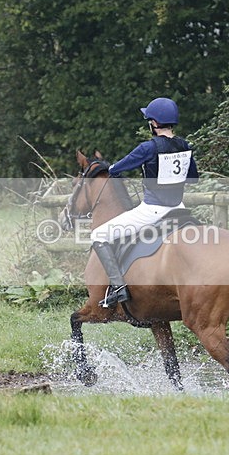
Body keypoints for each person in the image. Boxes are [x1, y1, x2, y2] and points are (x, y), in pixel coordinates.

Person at [91, 97, 199, 308]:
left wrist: (114, 169)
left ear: (154, 123)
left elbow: (115, 170)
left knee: (99, 235)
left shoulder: (148, 147)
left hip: (153, 211)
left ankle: (119, 287)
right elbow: (193, 178)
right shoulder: (185, 145)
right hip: (179, 208)